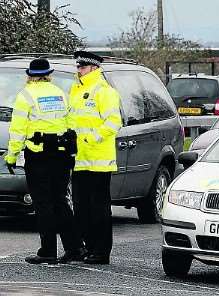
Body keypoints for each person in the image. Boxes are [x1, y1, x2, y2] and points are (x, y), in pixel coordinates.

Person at [4, 58, 84, 264]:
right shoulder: (60, 94)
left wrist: (12, 156)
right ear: (49, 74)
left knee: (43, 204)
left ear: (29, 75)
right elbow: (71, 123)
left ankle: (48, 250)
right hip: (61, 154)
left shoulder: (25, 95)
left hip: (38, 155)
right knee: (60, 201)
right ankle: (75, 248)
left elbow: (18, 130)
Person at [69, 51, 122, 264]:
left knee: (98, 209)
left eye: (82, 67)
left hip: (99, 161)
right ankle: (88, 248)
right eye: (78, 67)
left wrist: (91, 138)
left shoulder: (104, 91)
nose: (79, 70)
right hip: (79, 160)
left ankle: (101, 252)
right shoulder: (75, 90)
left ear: (93, 68)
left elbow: (113, 122)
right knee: (81, 207)